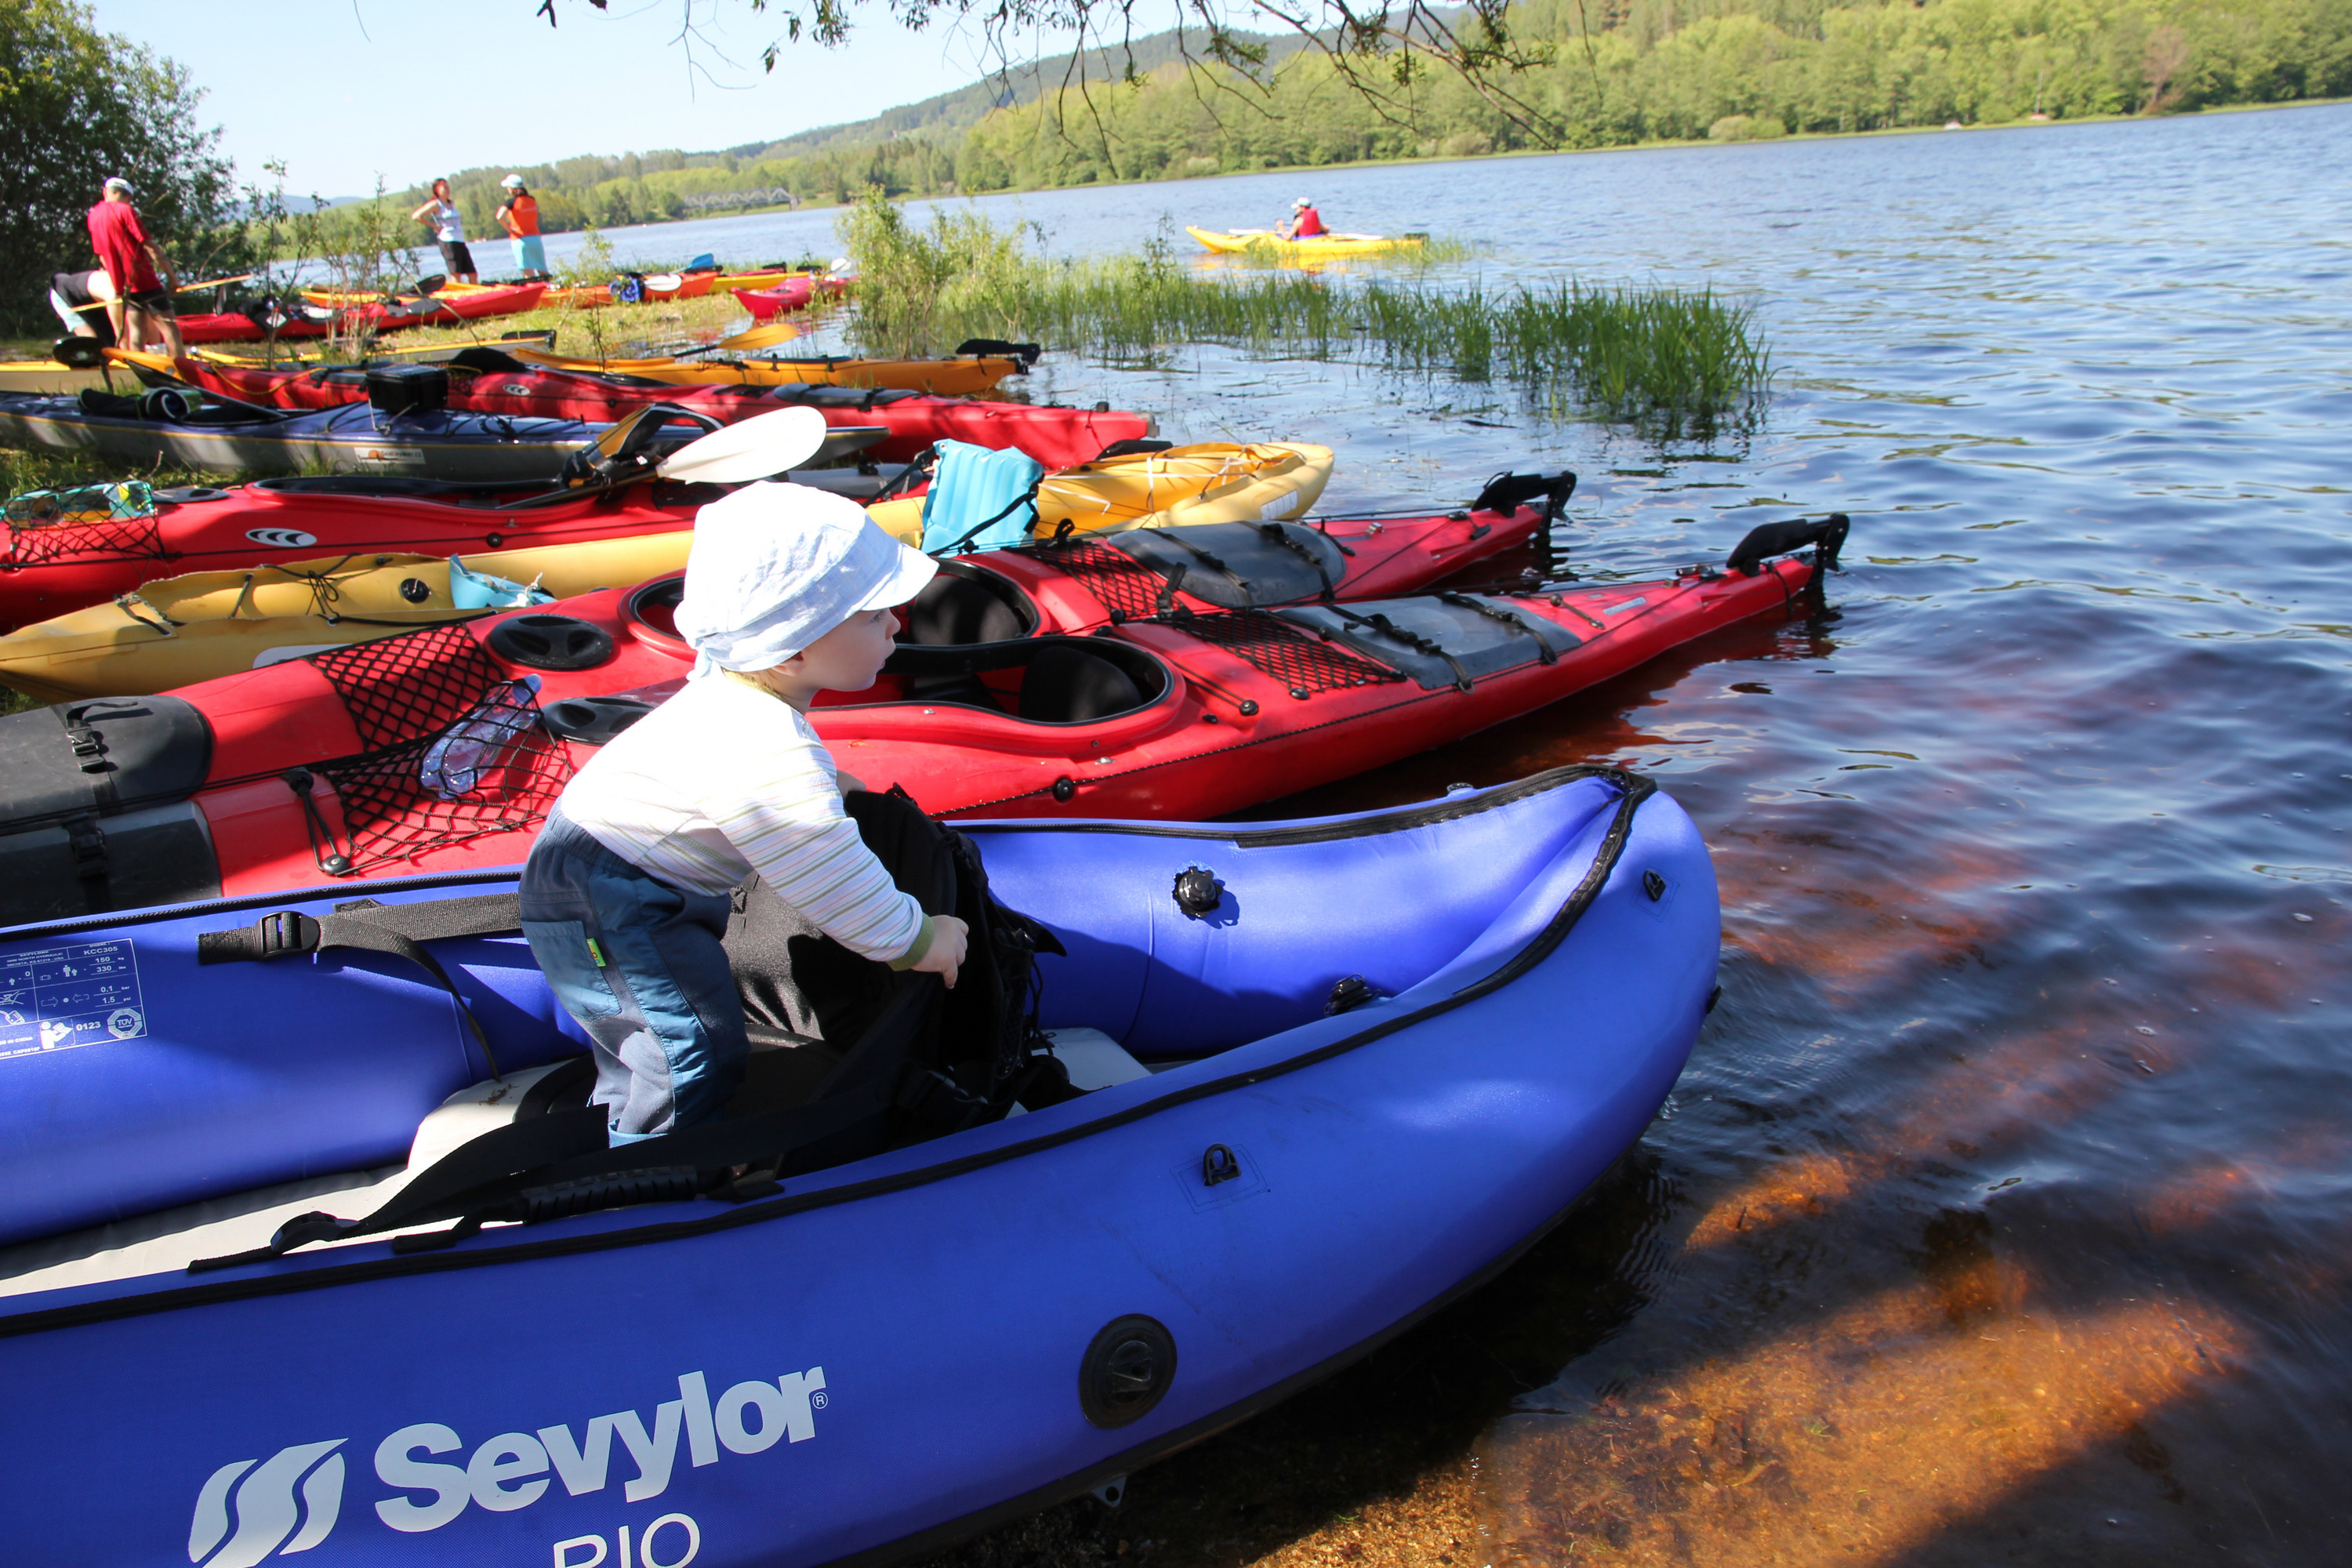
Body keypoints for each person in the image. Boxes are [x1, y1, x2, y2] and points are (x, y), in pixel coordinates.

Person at [519, 476, 969, 1145]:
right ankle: (655, 1172)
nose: (896, 625)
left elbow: (747, 780)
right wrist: (918, 942)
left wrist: (833, 786)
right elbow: (831, 877)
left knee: (647, 1039)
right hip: (616, 902)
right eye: (875, 615)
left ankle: (620, 1125)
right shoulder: (765, 746)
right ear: (794, 649)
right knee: (688, 1049)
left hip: (597, 879)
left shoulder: (733, 692)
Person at [84, 176, 183, 356]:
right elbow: (149, 246)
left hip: (124, 285)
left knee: (136, 331)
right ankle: (183, 368)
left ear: (105, 191)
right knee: (170, 329)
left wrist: (117, 281)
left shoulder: (94, 215)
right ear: (129, 197)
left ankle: (139, 368)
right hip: (144, 280)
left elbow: (101, 255)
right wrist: (172, 278)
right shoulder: (125, 210)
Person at [409, 179, 477, 284]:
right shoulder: (436, 204)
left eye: (448, 187)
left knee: (472, 272)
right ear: (437, 190)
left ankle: (476, 291)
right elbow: (416, 216)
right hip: (447, 240)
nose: (447, 190)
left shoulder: (451, 204)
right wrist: (434, 226)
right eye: (444, 187)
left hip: (459, 240)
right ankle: (457, 292)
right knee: (456, 272)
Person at [497, 175, 546, 277]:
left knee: (528, 272)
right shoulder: (532, 200)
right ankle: (549, 285)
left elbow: (499, 216)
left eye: (508, 187)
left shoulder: (510, 202)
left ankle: (532, 286)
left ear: (513, 189)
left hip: (520, 239)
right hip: (535, 238)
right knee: (542, 270)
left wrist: (509, 230)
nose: (507, 189)